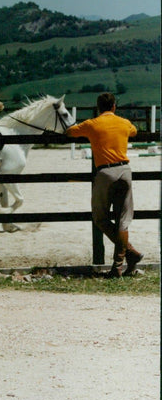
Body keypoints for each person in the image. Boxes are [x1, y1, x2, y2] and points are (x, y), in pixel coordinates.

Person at [66, 92, 143, 278]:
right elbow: (134, 131)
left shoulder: (92, 124)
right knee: (123, 221)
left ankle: (130, 255)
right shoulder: (124, 123)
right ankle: (120, 265)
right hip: (125, 170)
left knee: (100, 218)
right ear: (114, 107)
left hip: (105, 172)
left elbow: (70, 132)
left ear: (98, 107)